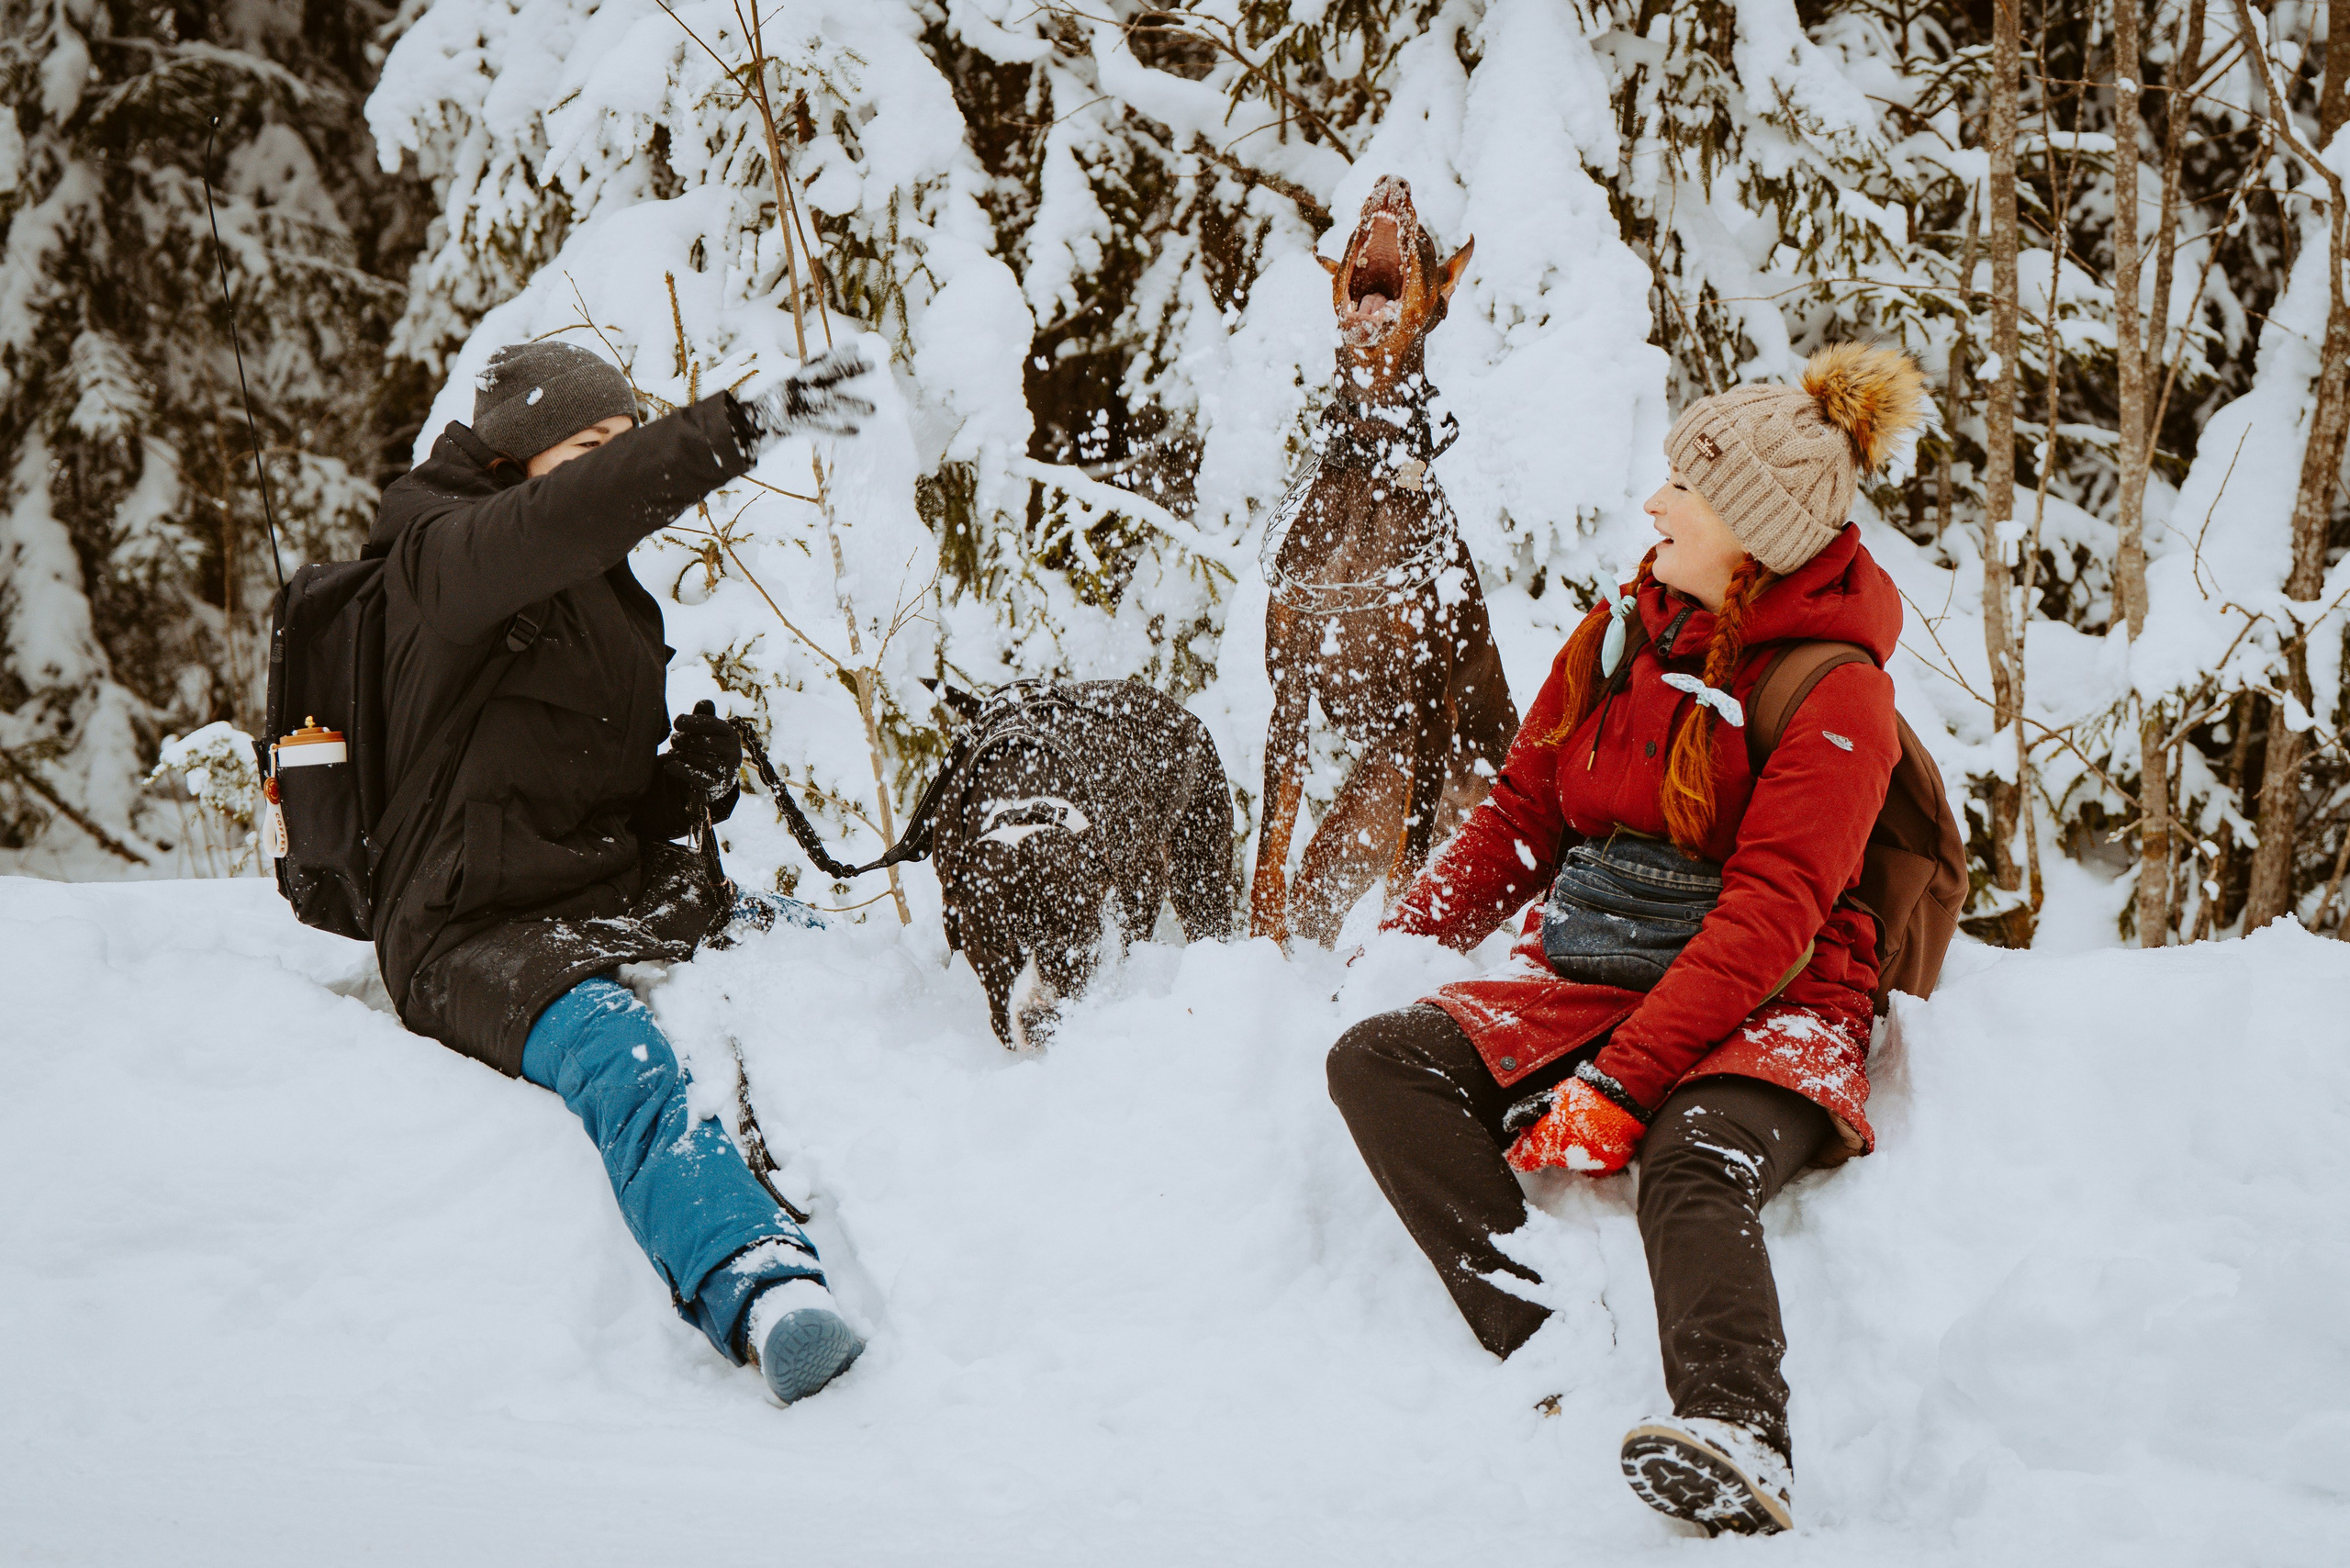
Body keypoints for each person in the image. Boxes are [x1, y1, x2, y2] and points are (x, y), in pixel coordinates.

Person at [1326, 344, 1926, 1534]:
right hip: (1596, 975)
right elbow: (1521, 815)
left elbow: (1771, 922)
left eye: (1686, 490)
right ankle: (1549, 1346)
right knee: (1375, 1061)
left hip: (1776, 1000)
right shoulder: (1619, 632)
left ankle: (1739, 1437)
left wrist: (1618, 1087)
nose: (1656, 503)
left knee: (1695, 1160)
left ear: (1750, 536)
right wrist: (1401, 941)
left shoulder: (1835, 693)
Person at [364, 337, 876, 1405]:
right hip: (468, 930)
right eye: (591, 446)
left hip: (595, 892)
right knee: (626, 1055)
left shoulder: (599, 590)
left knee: (838, 963)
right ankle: (760, 1284)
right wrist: (733, 425)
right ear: (517, 456)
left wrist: (676, 785)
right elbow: (559, 521)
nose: (613, 467)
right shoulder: (439, 554)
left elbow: (569, 787)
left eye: (622, 442)